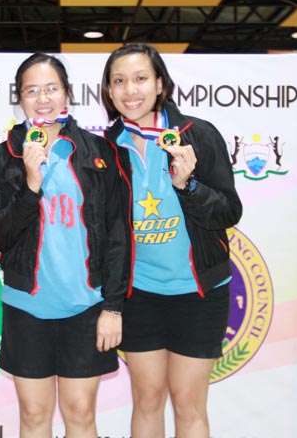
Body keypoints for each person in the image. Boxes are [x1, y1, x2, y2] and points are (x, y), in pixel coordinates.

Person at [0, 53, 132, 438]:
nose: (43, 98)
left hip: (86, 306)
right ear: (20, 98)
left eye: (51, 88)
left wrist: (113, 306)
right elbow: (0, 234)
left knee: (80, 413)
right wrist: (31, 184)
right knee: (34, 415)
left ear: (67, 94)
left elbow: (118, 233)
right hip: (26, 306)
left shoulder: (99, 152)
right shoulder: (1, 158)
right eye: (32, 90)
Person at [101, 43, 243, 438]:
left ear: (160, 83)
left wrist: (189, 185)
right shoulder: (107, 149)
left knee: (188, 401)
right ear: (109, 93)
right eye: (120, 81)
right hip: (139, 294)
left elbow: (229, 212)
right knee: (147, 397)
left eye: (141, 78)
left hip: (199, 293)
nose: (131, 90)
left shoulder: (198, 135)